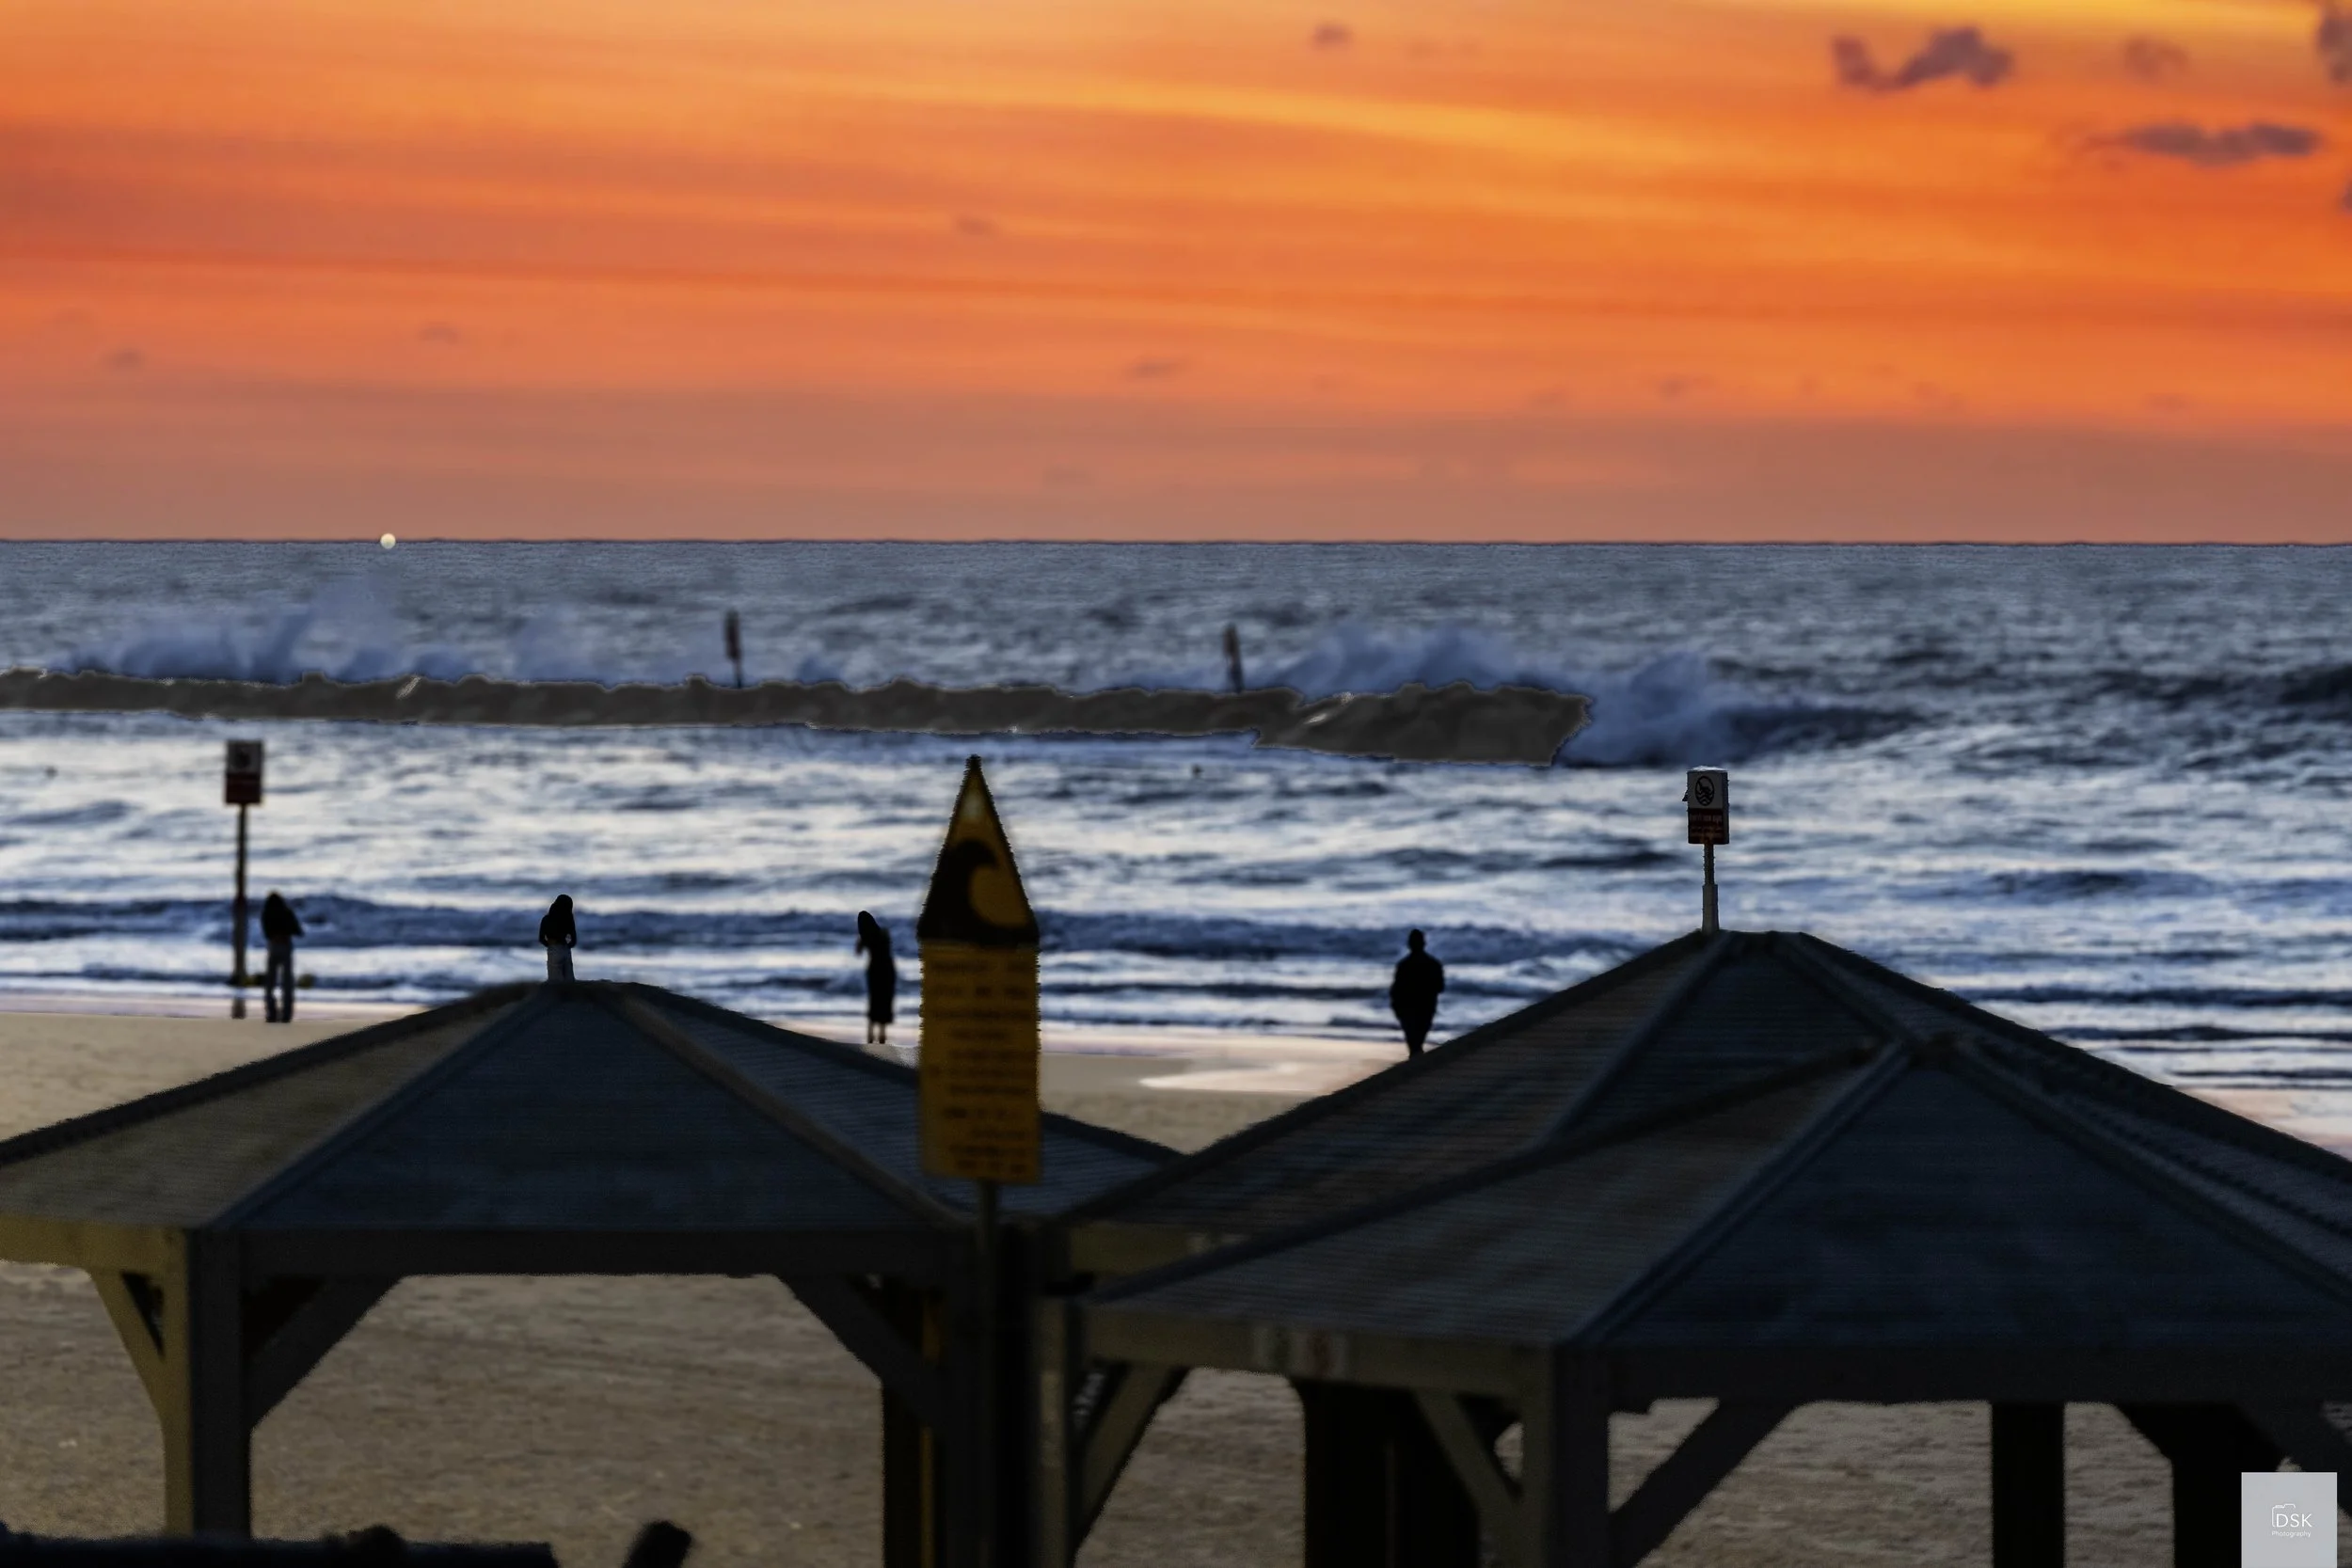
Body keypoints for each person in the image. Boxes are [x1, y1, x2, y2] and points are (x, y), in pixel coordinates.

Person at [1389, 928, 1445, 1057]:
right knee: (1417, 1042)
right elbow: (1440, 987)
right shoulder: (1433, 964)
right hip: (1425, 1007)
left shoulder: (1403, 965)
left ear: (1409, 945)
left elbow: (1396, 990)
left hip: (1408, 1008)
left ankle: (1415, 1063)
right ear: (1424, 944)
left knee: (1413, 1042)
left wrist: (1396, 1007)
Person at [260, 890, 303, 1023]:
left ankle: (271, 1011)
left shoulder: (267, 913)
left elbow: (266, 933)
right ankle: (286, 1013)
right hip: (285, 945)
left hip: (273, 946)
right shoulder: (287, 912)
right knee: (287, 982)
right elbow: (298, 931)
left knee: (270, 981)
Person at [856, 911, 897, 1046]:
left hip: (874, 970)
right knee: (885, 1001)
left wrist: (861, 938)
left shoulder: (865, 937)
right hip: (887, 969)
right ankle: (882, 1035)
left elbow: (858, 952)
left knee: (874, 1001)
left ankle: (870, 1035)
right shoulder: (883, 933)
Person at [540, 895, 576, 982]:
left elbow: (541, 939)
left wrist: (550, 945)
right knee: (569, 982)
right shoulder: (568, 919)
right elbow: (573, 940)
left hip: (553, 950)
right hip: (565, 949)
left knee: (555, 983)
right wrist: (567, 946)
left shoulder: (546, 919)